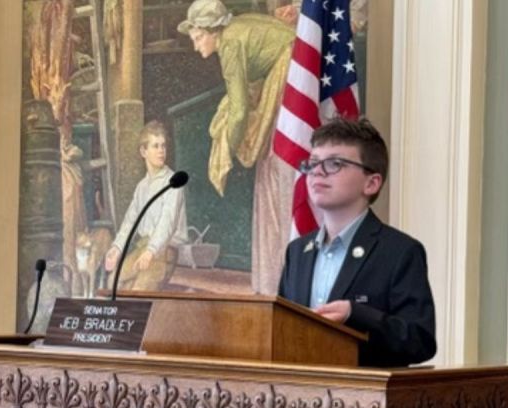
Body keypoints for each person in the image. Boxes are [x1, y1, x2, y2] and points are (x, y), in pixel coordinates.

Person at [278, 118, 436, 367]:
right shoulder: (297, 251)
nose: (317, 171)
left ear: (371, 183)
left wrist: (356, 315)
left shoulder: (400, 252)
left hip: (365, 399)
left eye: (334, 163)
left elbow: (420, 341)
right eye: (313, 163)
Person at [178, 0, 295, 295]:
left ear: (211, 31)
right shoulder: (238, 27)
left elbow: (241, 109)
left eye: (197, 38)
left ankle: (277, 275)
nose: (196, 47)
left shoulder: (229, 44)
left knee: (269, 154)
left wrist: (226, 149)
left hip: (290, 71)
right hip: (291, 62)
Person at [104, 120, 188, 291]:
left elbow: (167, 221)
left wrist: (151, 251)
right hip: (142, 248)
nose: (161, 151)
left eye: (163, 146)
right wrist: (117, 248)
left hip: (164, 252)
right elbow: (130, 222)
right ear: (144, 151)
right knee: (113, 283)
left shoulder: (174, 181)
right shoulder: (142, 186)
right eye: (155, 146)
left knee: (138, 292)